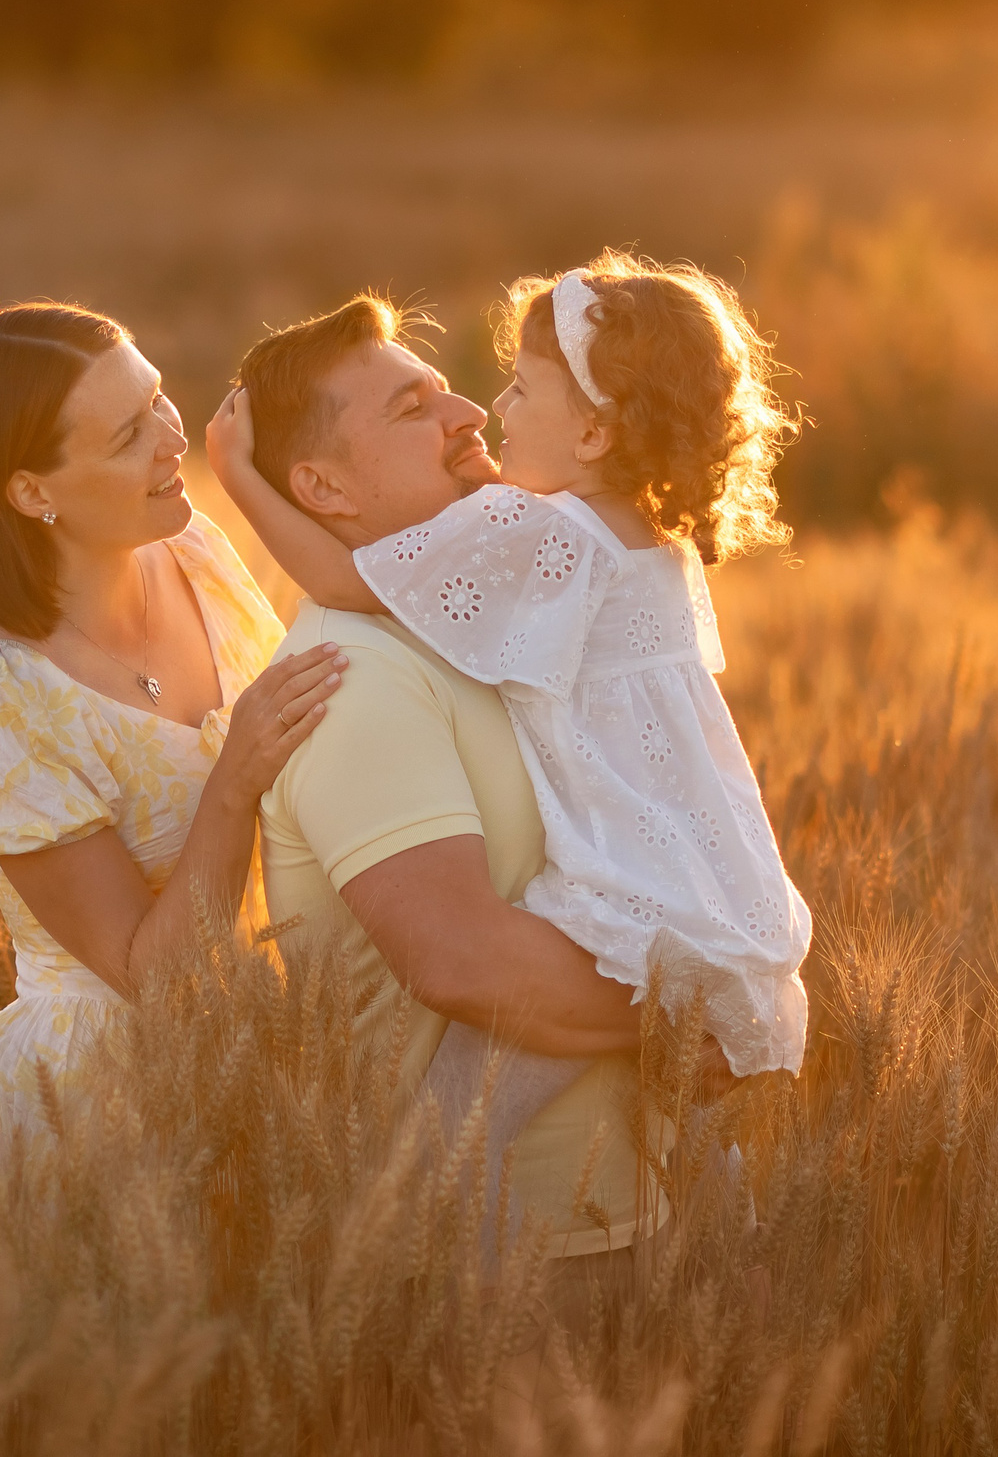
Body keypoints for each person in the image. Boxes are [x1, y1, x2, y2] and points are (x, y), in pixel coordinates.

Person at [209, 255, 809, 1202]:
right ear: (322, 485)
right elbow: (461, 956)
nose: (484, 414)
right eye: (415, 410)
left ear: (597, 430)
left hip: (623, 883)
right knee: (662, 1157)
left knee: (453, 1139)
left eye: (514, 388)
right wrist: (682, 1012)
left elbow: (344, 580)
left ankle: (470, 1269)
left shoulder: (540, 538)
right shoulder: (616, 543)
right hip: (691, 879)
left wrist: (240, 480)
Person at [0, 300, 345, 1392]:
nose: (169, 435)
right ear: (31, 492)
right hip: (87, 1126)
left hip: (271, 1074)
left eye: (158, 397)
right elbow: (151, 976)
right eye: (128, 430)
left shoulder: (193, 548)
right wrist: (230, 784)